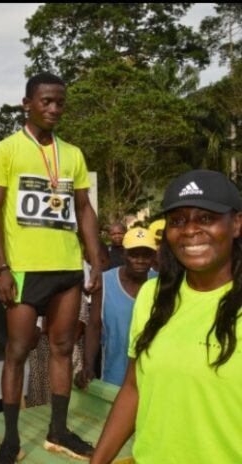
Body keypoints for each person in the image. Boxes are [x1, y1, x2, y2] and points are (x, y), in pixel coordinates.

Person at [0, 72, 102, 463]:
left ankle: (58, 430)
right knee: (17, 351)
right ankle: (11, 440)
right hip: (24, 270)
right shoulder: (5, 151)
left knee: (63, 348)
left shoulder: (73, 154)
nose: (53, 108)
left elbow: (83, 208)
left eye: (59, 102)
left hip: (66, 269)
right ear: (27, 103)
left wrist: (94, 258)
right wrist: (1, 268)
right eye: (46, 101)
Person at [91, 169, 242, 463]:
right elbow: (134, 388)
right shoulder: (152, 295)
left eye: (206, 218)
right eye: (178, 221)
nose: (190, 230)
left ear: (236, 224)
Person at [75, 228, 158, 388]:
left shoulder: (162, 283)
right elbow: (94, 326)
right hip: (114, 376)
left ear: (153, 257)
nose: (140, 260)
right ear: (123, 255)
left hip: (154, 377)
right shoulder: (105, 282)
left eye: (146, 255)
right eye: (134, 255)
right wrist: (88, 365)